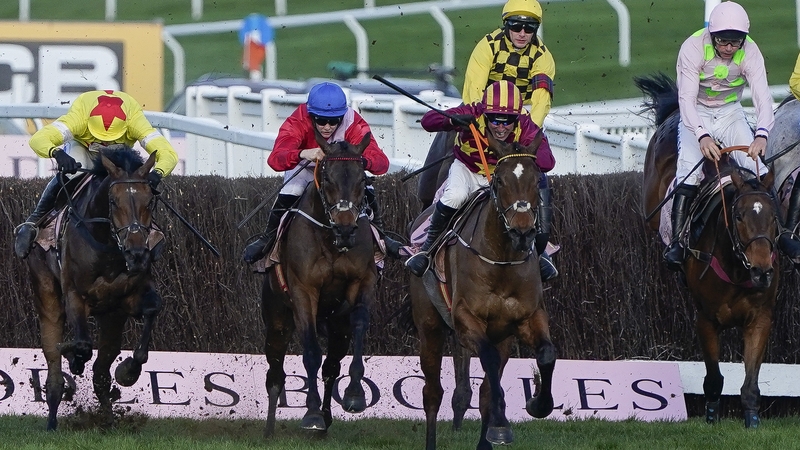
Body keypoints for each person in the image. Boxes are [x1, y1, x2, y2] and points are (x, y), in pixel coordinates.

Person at [666, 1, 800, 271]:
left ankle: (784, 233)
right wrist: (702, 136)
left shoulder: (750, 51)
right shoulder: (692, 48)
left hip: (731, 113)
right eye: (723, 42)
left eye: (735, 43)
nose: (729, 48)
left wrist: (761, 135)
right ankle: (678, 244)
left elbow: (763, 98)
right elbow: (686, 101)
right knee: (688, 173)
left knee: (759, 172)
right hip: (697, 114)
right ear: (712, 36)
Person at [405, 80, 558, 281]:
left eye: (508, 121)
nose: (501, 128)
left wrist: (522, 153)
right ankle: (427, 250)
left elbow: (548, 162)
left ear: (517, 116)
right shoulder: (472, 112)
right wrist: (452, 121)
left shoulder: (526, 124)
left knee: (524, 201)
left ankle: (540, 253)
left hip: (501, 176)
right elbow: (427, 121)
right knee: (455, 196)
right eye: (495, 120)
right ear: (485, 113)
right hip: (467, 170)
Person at [241, 82, 402, 264]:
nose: (327, 126)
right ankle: (268, 238)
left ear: (342, 115)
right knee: (293, 189)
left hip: (340, 174)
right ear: (311, 115)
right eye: (320, 120)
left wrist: (361, 161)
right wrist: (303, 153)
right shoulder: (298, 119)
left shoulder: (353, 122)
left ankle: (381, 237)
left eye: (334, 121)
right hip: (306, 168)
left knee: (365, 184)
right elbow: (275, 158)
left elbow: (381, 162)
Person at [417, 0, 555, 209]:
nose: (522, 33)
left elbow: (541, 99)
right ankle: (428, 198)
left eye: (529, 28)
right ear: (506, 24)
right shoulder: (488, 45)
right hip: (484, 109)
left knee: (536, 168)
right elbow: (474, 87)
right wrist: (480, 121)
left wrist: (528, 132)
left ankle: (541, 228)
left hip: (520, 115)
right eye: (516, 26)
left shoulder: (543, 56)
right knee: (449, 142)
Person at [13, 90, 178, 259]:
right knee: (73, 174)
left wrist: (157, 173)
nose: (103, 142)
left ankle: (147, 229)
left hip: (118, 152)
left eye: (109, 138)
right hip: (82, 148)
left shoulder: (134, 120)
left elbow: (168, 154)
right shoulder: (79, 117)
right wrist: (57, 153)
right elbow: (38, 139)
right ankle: (33, 222)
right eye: (99, 137)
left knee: (132, 184)